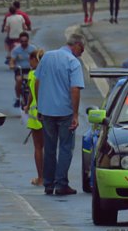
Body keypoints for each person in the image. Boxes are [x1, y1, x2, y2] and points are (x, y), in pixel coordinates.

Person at [35, 32, 85, 195]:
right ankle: (61, 184)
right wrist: (75, 115)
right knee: (65, 147)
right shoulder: (73, 62)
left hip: (47, 111)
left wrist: (39, 106)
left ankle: (48, 184)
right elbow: (75, 89)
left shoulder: (47, 57)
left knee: (49, 147)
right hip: (65, 111)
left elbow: (37, 82)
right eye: (82, 50)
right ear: (77, 45)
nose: (81, 54)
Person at [24, 48, 46, 187]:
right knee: (50, 147)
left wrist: (27, 106)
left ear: (35, 59)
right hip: (50, 112)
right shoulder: (49, 74)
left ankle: (41, 178)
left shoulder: (33, 74)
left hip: (35, 115)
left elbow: (31, 93)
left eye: (30, 61)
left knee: (38, 147)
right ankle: (51, 177)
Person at [10, 32, 36, 108]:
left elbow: (37, 59)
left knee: (35, 81)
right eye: (22, 41)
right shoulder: (16, 50)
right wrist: (12, 65)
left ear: (28, 40)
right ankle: (18, 99)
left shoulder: (33, 49)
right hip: (20, 69)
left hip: (30, 69)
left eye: (25, 41)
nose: (24, 43)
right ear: (19, 41)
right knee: (19, 80)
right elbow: (12, 60)